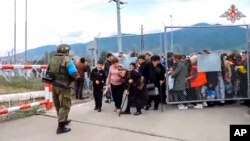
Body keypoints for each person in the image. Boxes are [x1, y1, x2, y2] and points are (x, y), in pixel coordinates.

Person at [46, 44, 80, 134]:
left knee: (58, 105)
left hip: (54, 85)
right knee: (65, 105)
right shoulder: (67, 59)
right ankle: (61, 127)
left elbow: (48, 72)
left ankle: (63, 120)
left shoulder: (53, 59)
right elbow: (73, 72)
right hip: (64, 86)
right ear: (66, 51)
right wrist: (77, 78)